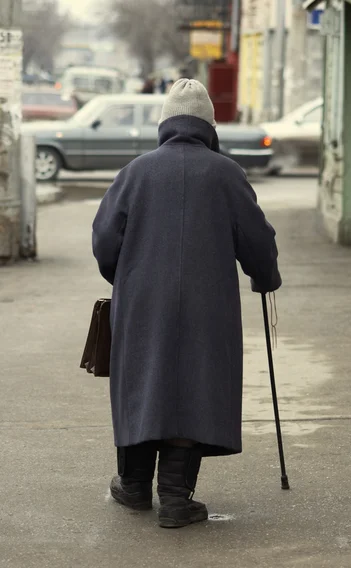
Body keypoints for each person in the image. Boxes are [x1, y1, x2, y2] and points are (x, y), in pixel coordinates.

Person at [92, 79, 281, 529]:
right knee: (193, 384)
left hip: (141, 301)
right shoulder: (226, 173)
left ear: (164, 124)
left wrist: (125, 278)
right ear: (209, 127)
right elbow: (257, 240)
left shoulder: (135, 172)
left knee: (143, 380)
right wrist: (264, 278)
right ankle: (176, 498)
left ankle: (134, 485)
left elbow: (103, 241)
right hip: (207, 305)